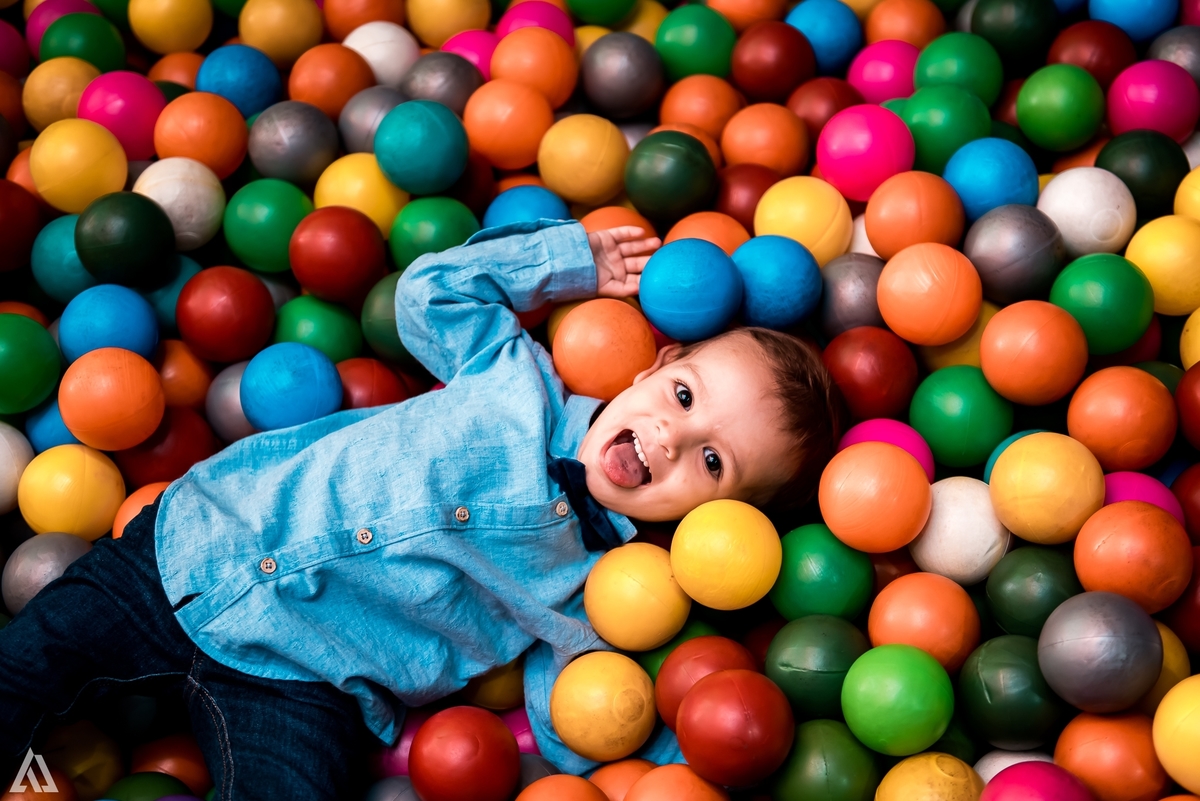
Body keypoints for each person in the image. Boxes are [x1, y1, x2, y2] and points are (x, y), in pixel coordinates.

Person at [0, 219, 845, 798]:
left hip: (304, 681)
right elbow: (429, 294)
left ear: (720, 517)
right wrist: (566, 256)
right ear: (647, 368)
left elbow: (574, 714)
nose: (668, 436)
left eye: (709, 460)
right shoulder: (518, 378)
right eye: (683, 394)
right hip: (190, 550)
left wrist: (692, 745)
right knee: (23, 670)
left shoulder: (610, 588)